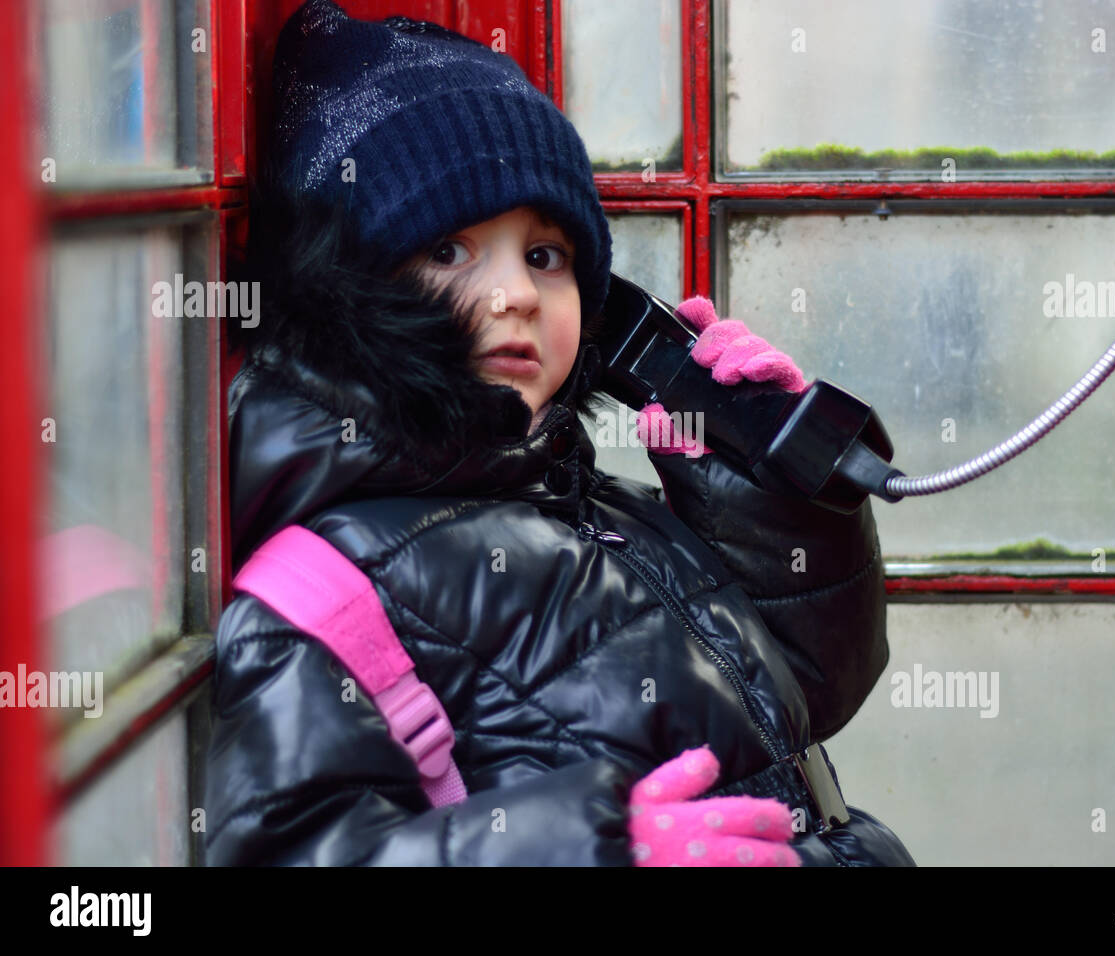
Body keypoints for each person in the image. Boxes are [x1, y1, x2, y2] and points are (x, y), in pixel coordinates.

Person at [203, 0, 914, 867]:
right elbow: (294, 853)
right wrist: (587, 850)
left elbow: (813, 688)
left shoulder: (599, 508)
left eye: (545, 256)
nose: (518, 295)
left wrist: (765, 482)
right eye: (449, 253)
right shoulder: (323, 592)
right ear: (345, 294)